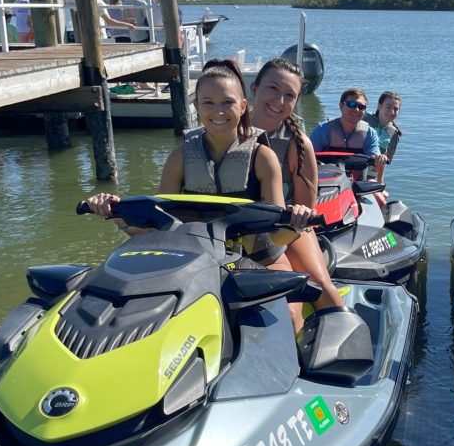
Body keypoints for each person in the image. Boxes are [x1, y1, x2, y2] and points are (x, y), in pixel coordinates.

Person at [86, 59, 318, 329]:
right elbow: (157, 229)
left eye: (227, 102)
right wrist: (117, 214)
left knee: (287, 316)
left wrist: (296, 223)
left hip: (259, 255)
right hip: (198, 256)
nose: (218, 111)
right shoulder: (180, 157)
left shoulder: (263, 157)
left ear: (243, 106)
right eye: (208, 103)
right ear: (196, 107)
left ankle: (301, 364)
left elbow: (277, 235)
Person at [249, 57, 347, 316]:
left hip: (288, 227)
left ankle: (342, 330)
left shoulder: (297, 143)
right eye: (272, 89)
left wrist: (292, 218)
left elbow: (306, 207)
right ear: (254, 88)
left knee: (317, 281)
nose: (279, 101)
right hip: (236, 229)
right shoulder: (227, 131)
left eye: (289, 95)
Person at [309, 88, 381, 160]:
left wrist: (380, 159)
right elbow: (308, 157)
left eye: (361, 107)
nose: (356, 109)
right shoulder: (322, 130)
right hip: (328, 170)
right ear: (341, 105)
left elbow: (375, 159)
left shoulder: (370, 134)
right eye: (351, 104)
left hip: (357, 170)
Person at [363, 91, 402, 184]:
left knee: (384, 196)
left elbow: (383, 162)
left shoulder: (394, 133)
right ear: (379, 106)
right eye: (388, 107)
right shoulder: (364, 118)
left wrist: (380, 184)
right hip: (353, 169)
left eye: (396, 109)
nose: (392, 112)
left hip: (370, 176)